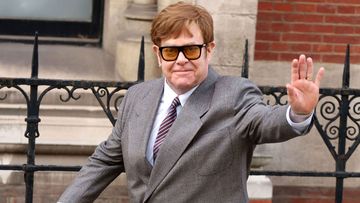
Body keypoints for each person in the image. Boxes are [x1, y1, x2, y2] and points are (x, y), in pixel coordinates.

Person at [58, 2, 325, 203]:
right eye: (172, 50)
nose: (181, 59)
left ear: (209, 49)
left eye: (192, 49)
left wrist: (297, 113)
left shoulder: (234, 94)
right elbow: (104, 162)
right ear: (158, 54)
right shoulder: (138, 98)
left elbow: (265, 121)